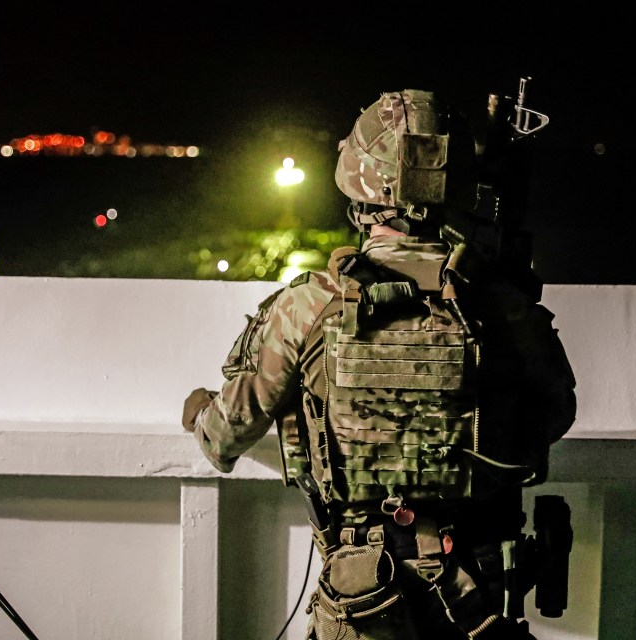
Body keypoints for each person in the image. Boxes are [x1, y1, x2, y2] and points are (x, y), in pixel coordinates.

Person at [182, 88, 577, 639]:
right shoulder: (500, 305)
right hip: (479, 592)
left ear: (357, 185)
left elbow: (224, 435)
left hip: (362, 588)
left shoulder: (311, 306)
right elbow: (555, 414)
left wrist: (196, 410)